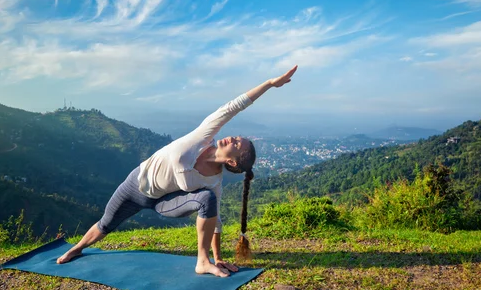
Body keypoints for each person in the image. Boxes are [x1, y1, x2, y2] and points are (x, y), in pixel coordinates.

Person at [57, 65, 299, 277]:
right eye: (236, 137)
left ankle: (202, 262)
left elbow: (216, 222)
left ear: (233, 162)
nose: (232, 138)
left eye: (237, 144)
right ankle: (77, 248)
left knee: (207, 199)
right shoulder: (203, 136)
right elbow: (232, 107)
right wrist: (269, 84)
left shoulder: (213, 181)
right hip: (136, 184)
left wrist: (217, 256)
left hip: (164, 201)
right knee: (106, 224)